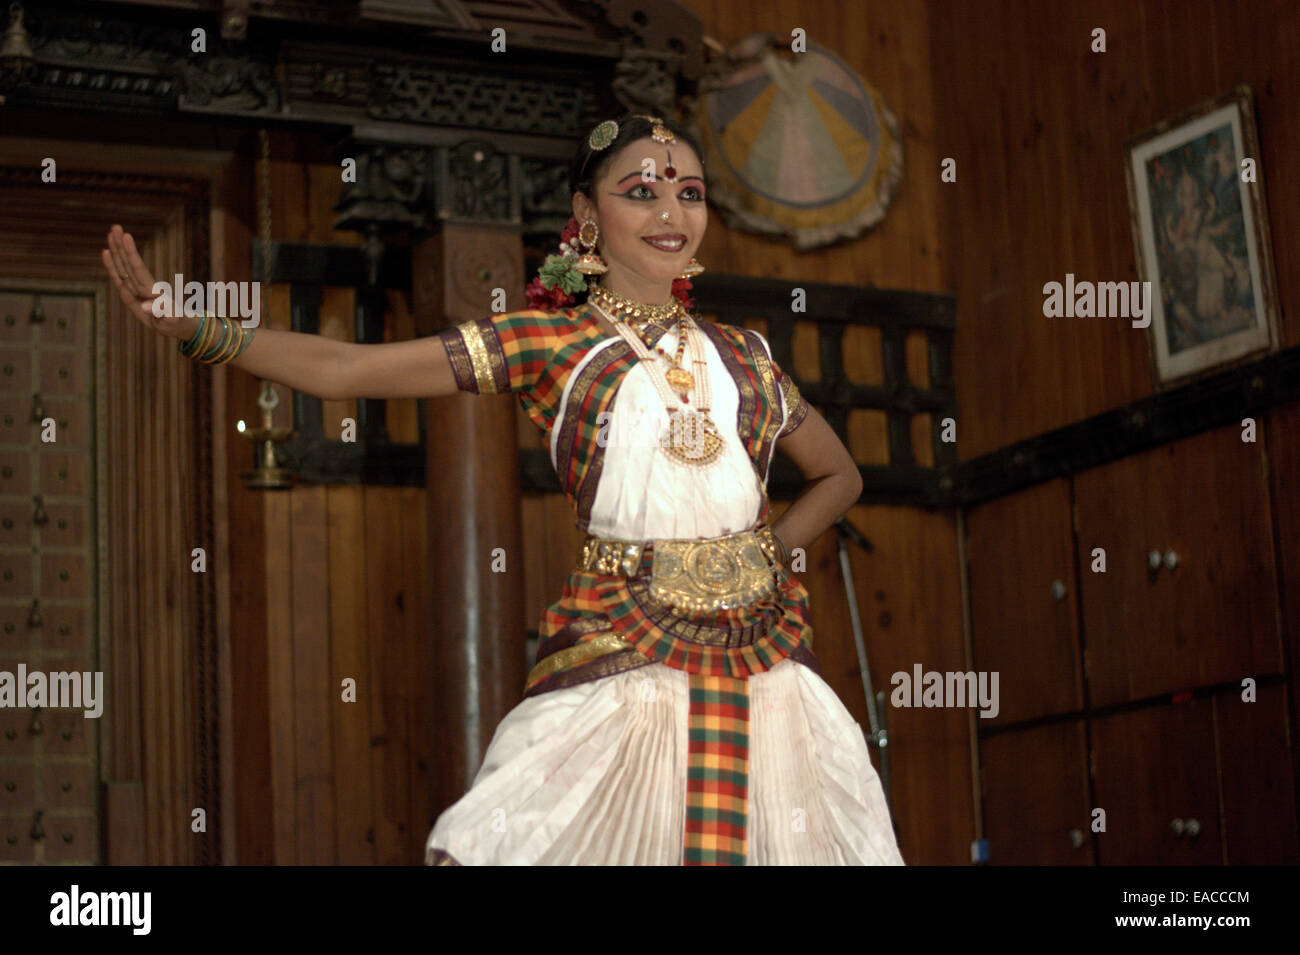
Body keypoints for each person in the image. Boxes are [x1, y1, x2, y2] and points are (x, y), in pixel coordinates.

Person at [101, 112, 905, 866]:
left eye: (688, 192)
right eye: (642, 191)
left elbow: (841, 475)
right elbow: (348, 370)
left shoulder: (746, 355)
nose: (671, 211)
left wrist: (765, 552)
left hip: (764, 665)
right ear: (586, 217)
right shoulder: (548, 339)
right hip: (622, 652)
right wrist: (195, 325)